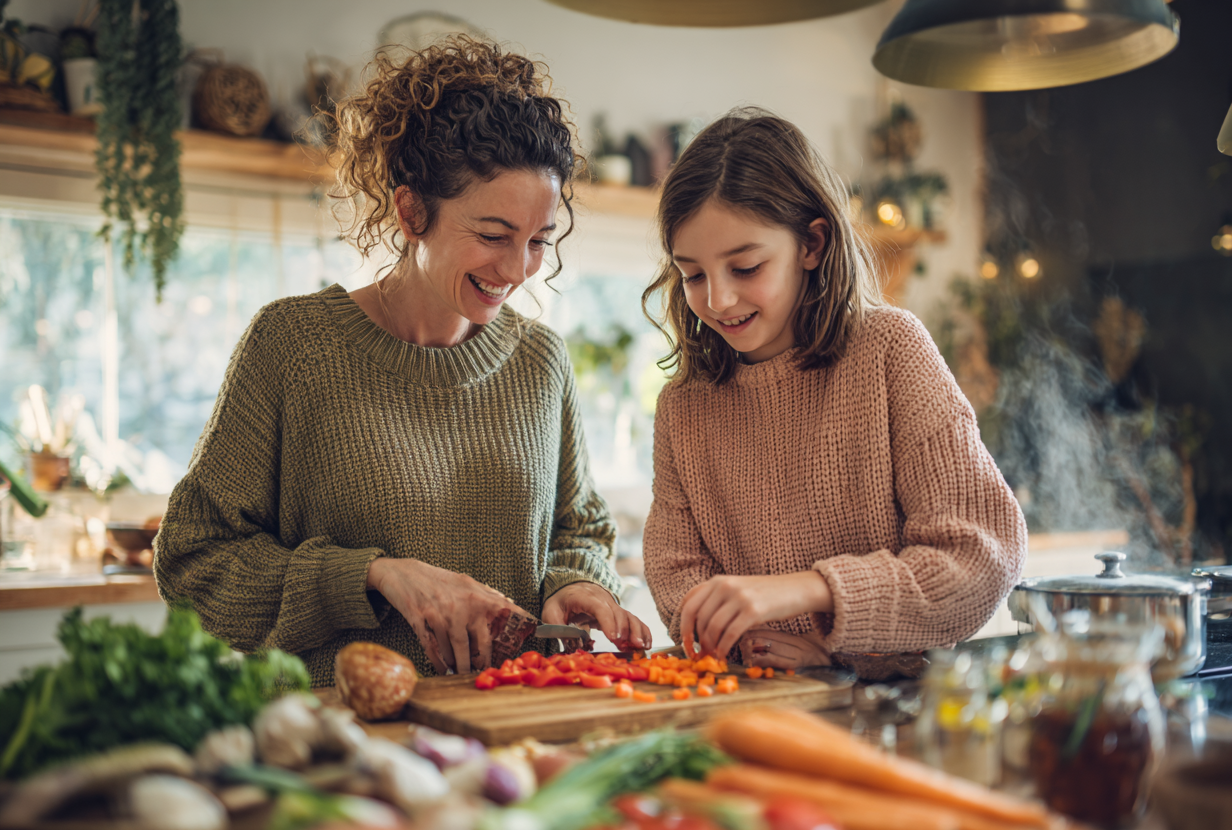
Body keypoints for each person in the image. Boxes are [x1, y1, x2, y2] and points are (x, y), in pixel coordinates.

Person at [154, 38, 650, 687]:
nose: (517, 270)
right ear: (411, 211)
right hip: (344, 748)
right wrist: (372, 575)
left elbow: (578, 528)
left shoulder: (539, 361)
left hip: (518, 730)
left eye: (538, 241)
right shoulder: (294, 347)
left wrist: (576, 583)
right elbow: (194, 565)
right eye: (494, 236)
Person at [641, 109, 1026, 669]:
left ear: (812, 245)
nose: (718, 300)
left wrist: (813, 599)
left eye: (745, 267)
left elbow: (979, 560)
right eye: (694, 275)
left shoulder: (890, 350)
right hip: (752, 704)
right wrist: (749, 645)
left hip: (902, 716)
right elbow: (677, 574)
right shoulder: (683, 407)